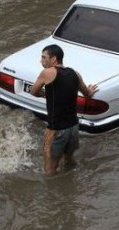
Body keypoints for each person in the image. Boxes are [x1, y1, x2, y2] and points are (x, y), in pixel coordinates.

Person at [30, 44, 98, 176]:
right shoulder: (75, 73)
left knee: (50, 167)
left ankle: (52, 194)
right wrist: (91, 89)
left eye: (44, 57)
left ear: (54, 59)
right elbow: (87, 94)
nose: (41, 61)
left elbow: (34, 91)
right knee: (69, 160)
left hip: (56, 128)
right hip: (73, 126)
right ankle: (70, 184)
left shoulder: (47, 72)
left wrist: (45, 94)